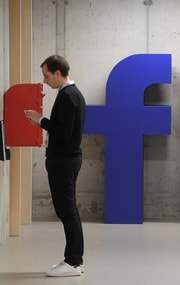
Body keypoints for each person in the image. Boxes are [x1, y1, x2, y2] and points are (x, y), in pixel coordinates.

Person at [25, 55, 86, 277]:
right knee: (67, 211)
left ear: (58, 73)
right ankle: (73, 260)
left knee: (67, 211)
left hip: (64, 160)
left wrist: (40, 120)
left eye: (47, 76)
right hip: (66, 159)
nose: (45, 81)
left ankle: (73, 262)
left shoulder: (69, 97)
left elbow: (64, 132)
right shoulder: (71, 94)